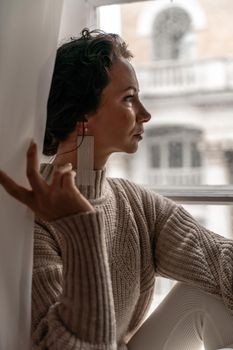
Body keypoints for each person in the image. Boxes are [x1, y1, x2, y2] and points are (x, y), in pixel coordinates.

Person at [0, 28, 233, 350]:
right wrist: (79, 226)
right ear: (84, 118)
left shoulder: (135, 203)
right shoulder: (32, 214)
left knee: (207, 293)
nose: (145, 114)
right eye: (128, 99)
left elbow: (219, 261)